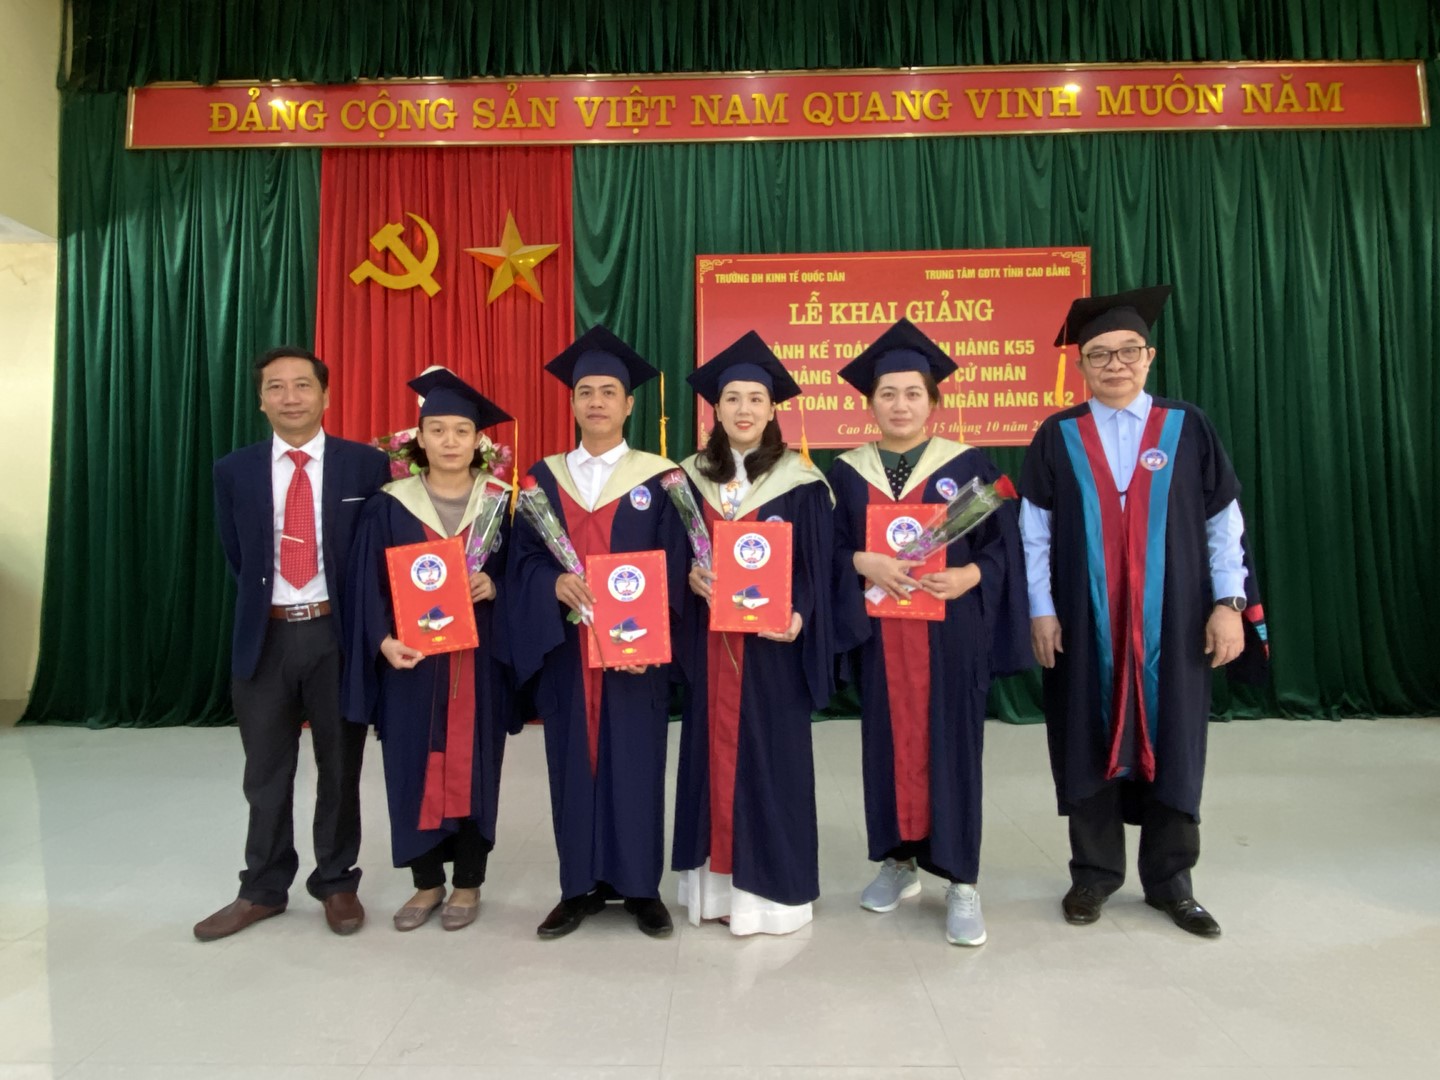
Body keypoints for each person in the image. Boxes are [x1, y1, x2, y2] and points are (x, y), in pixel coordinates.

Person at [1018, 285, 1260, 938]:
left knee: (1176, 740)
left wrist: (1228, 603)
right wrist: (1041, 610)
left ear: (1149, 357)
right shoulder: (1059, 435)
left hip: (1175, 622)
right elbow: (1034, 531)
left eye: (1128, 351)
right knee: (1084, 735)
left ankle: (1171, 882)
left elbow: (1223, 523)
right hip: (1082, 621)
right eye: (1099, 354)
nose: (1115, 364)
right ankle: (1093, 875)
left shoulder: (1186, 426)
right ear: (1081, 365)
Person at [830, 319, 1031, 947]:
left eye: (913, 393)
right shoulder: (846, 474)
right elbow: (821, 552)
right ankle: (898, 861)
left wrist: (971, 573)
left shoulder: (967, 466)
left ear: (932, 401)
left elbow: (1006, 548)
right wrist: (860, 561)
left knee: (953, 747)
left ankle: (962, 880)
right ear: (870, 402)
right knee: (885, 745)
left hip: (949, 635)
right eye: (887, 394)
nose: (900, 405)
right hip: (881, 638)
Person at [197, 345, 389, 941]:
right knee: (265, 772)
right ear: (261, 401)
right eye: (275, 387)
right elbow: (237, 554)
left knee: (341, 767)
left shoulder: (366, 466)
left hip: (337, 636)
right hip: (267, 636)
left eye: (302, 385)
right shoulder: (234, 470)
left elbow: (377, 555)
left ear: (326, 395)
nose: (290, 397)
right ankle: (262, 887)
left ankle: (336, 881)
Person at [505, 325, 690, 939]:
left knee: (636, 761)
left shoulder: (660, 478)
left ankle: (641, 888)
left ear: (629, 404)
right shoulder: (543, 479)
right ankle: (577, 887)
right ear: (572, 401)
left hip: (637, 651)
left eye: (609, 392)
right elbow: (522, 560)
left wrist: (653, 641)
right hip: (567, 649)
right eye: (586, 391)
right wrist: (551, 583)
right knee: (571, 762)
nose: (597, 402)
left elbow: (678, 564)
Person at [672, 332, 836, 936]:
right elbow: (667, 558)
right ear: (715, 409)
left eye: (756, 399)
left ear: (772, 410)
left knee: (773, 764)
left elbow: (820, 569)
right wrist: (687, 576)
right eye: (732, 398)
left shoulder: (802, 483)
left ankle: (773, 897)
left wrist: (801, 615)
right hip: (710, 647)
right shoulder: (686, 481)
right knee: (708, 761)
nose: (744, 409)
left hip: (772, 653)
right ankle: (714, 891)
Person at [343, 369, 518, 932]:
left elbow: (524, 573)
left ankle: (468, 881)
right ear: (418, 437)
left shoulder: (499, 505)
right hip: (411, 663)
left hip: (478, 660)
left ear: (478, 440)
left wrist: (496, 585)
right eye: (436, 430)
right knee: (410, 763)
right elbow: (365, 584)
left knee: (477, 765)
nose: (448, 441)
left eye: (461, 431)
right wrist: (382, 640)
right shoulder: (389, 505)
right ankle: (425, 882)